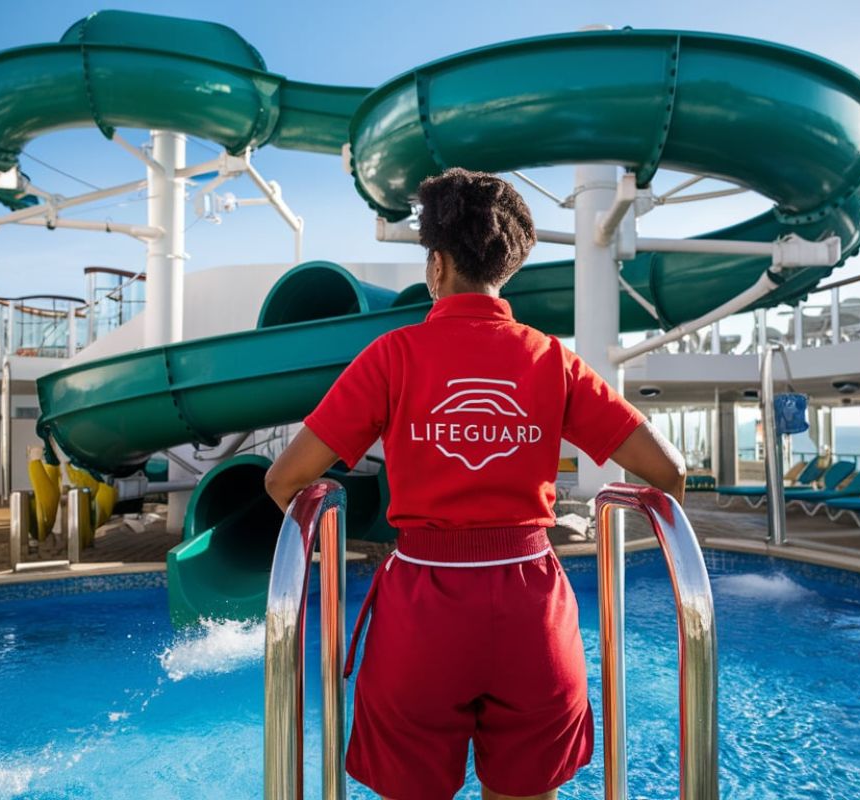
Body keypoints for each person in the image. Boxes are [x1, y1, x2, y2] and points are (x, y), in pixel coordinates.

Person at [265, 167, 685, 800]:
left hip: (420, 619)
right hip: (532, 616)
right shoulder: (551, 359)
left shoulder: (392, 356)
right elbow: (669, 472)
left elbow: (285, 479)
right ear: (506, 268)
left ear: (437, 265)